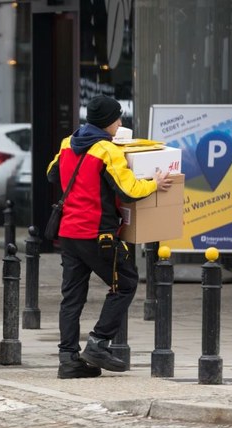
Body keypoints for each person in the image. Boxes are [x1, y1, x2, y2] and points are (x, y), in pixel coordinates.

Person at [46, 95, 172, 379]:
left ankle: (68, 360)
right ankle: (98, 344)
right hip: (97, 234)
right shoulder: (106, 151)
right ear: (108, 122)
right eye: (118, 118)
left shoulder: (69, 143)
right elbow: (129, 190)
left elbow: (51, 174)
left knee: (72, 297)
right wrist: (156, 183)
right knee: (126, 283)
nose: (120, 122)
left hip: (68, 234)